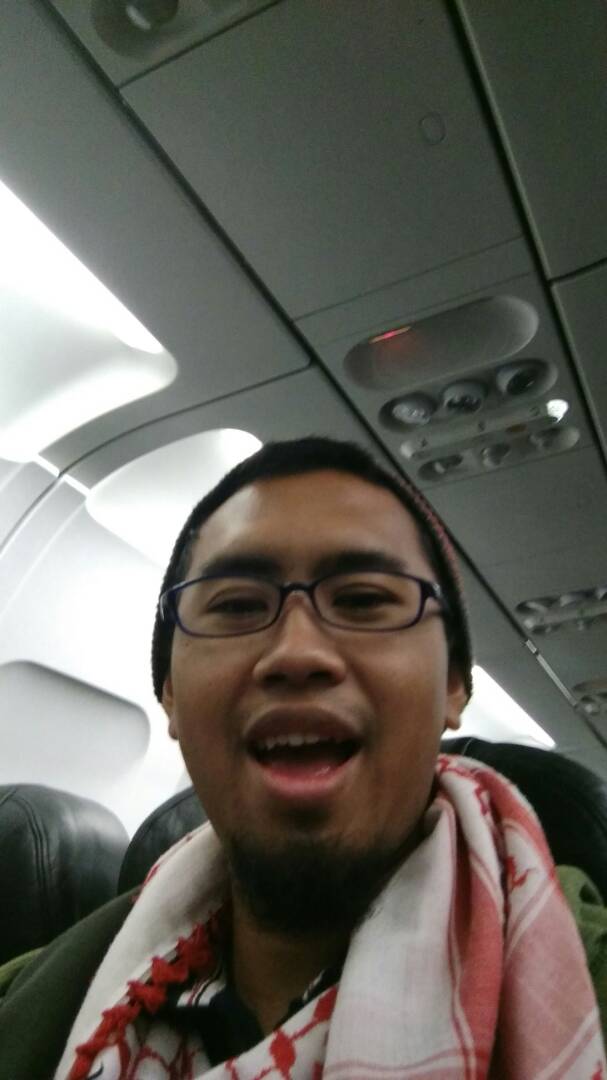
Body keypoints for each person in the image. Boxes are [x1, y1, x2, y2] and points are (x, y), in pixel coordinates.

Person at [0, 436, 605, 1078]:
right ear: (170, 695)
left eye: (364, 600)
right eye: (236, 606)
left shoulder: (586, 977)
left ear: (454, 684)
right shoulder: (34, 1001)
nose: (296, 652)